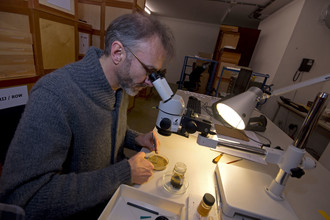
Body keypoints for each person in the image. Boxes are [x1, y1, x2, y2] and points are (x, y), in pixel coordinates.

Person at [0, 13, 175, 219]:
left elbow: (101, 129)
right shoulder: (54, 95)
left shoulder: (121, 86)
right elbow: (27, 199)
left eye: (157, 74)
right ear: (118, 52)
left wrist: (133, 138)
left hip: (111, 199)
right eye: (149, 71)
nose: (150, 82)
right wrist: (124, 173)